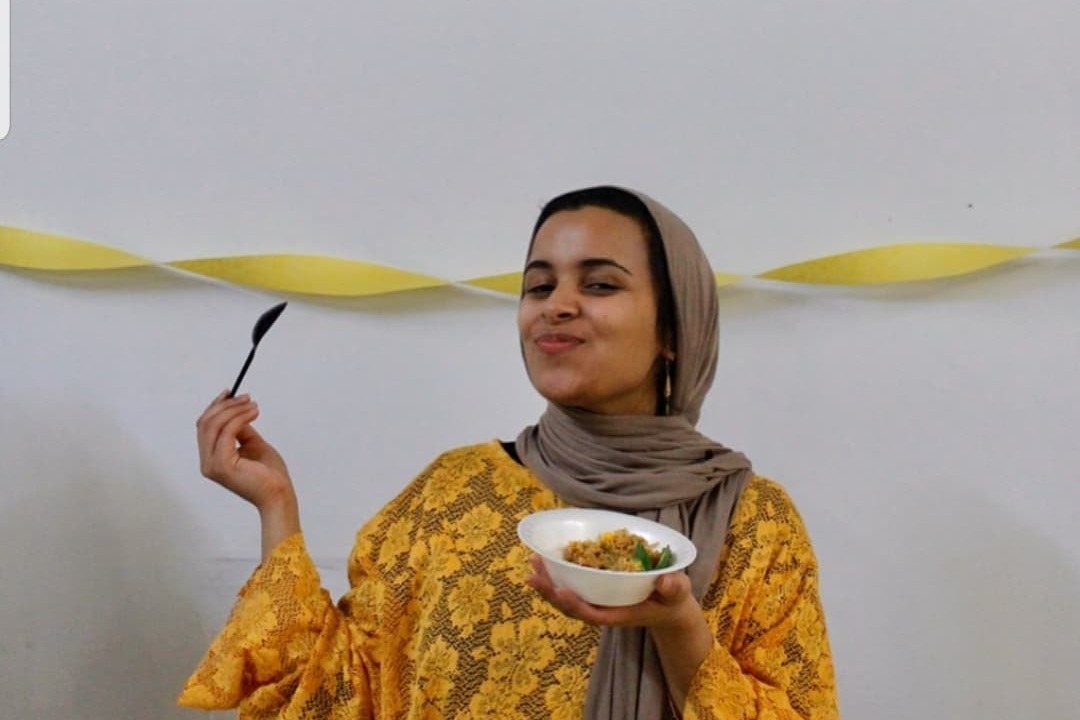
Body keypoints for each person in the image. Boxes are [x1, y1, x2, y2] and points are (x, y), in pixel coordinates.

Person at [179, 186, 839, 719]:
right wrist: (276, 506)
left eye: (599, 285)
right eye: (540, 286)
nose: (558, 306)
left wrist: (679, 629)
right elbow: (331, 698)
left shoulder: (752, 523)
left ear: (674, 326)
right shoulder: (452, 494)